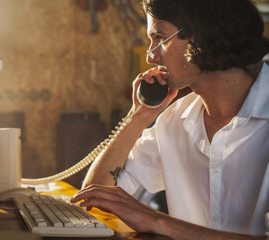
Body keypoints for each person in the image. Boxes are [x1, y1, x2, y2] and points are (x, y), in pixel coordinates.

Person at [70, 0, 269, 239]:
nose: (151, 56)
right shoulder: (173, 121)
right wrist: (139, 116)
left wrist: (156, 221)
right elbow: (95, 196)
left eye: (160, 38)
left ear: (203, 35)